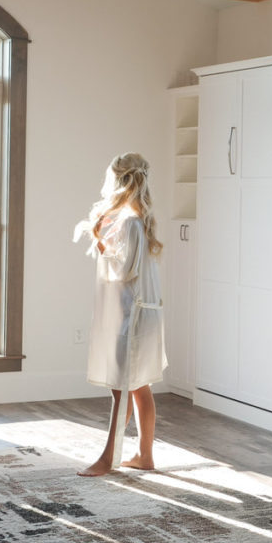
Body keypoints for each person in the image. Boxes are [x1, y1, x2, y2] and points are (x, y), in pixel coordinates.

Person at [73, 152, 166, 476]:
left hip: (133, 317)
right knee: (140, 387)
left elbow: (121, 271)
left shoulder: (128, 222)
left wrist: (98, 241)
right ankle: (144, 455)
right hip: (146, 313)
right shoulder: (141, 219)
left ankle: (108, 459)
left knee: (122, 388)